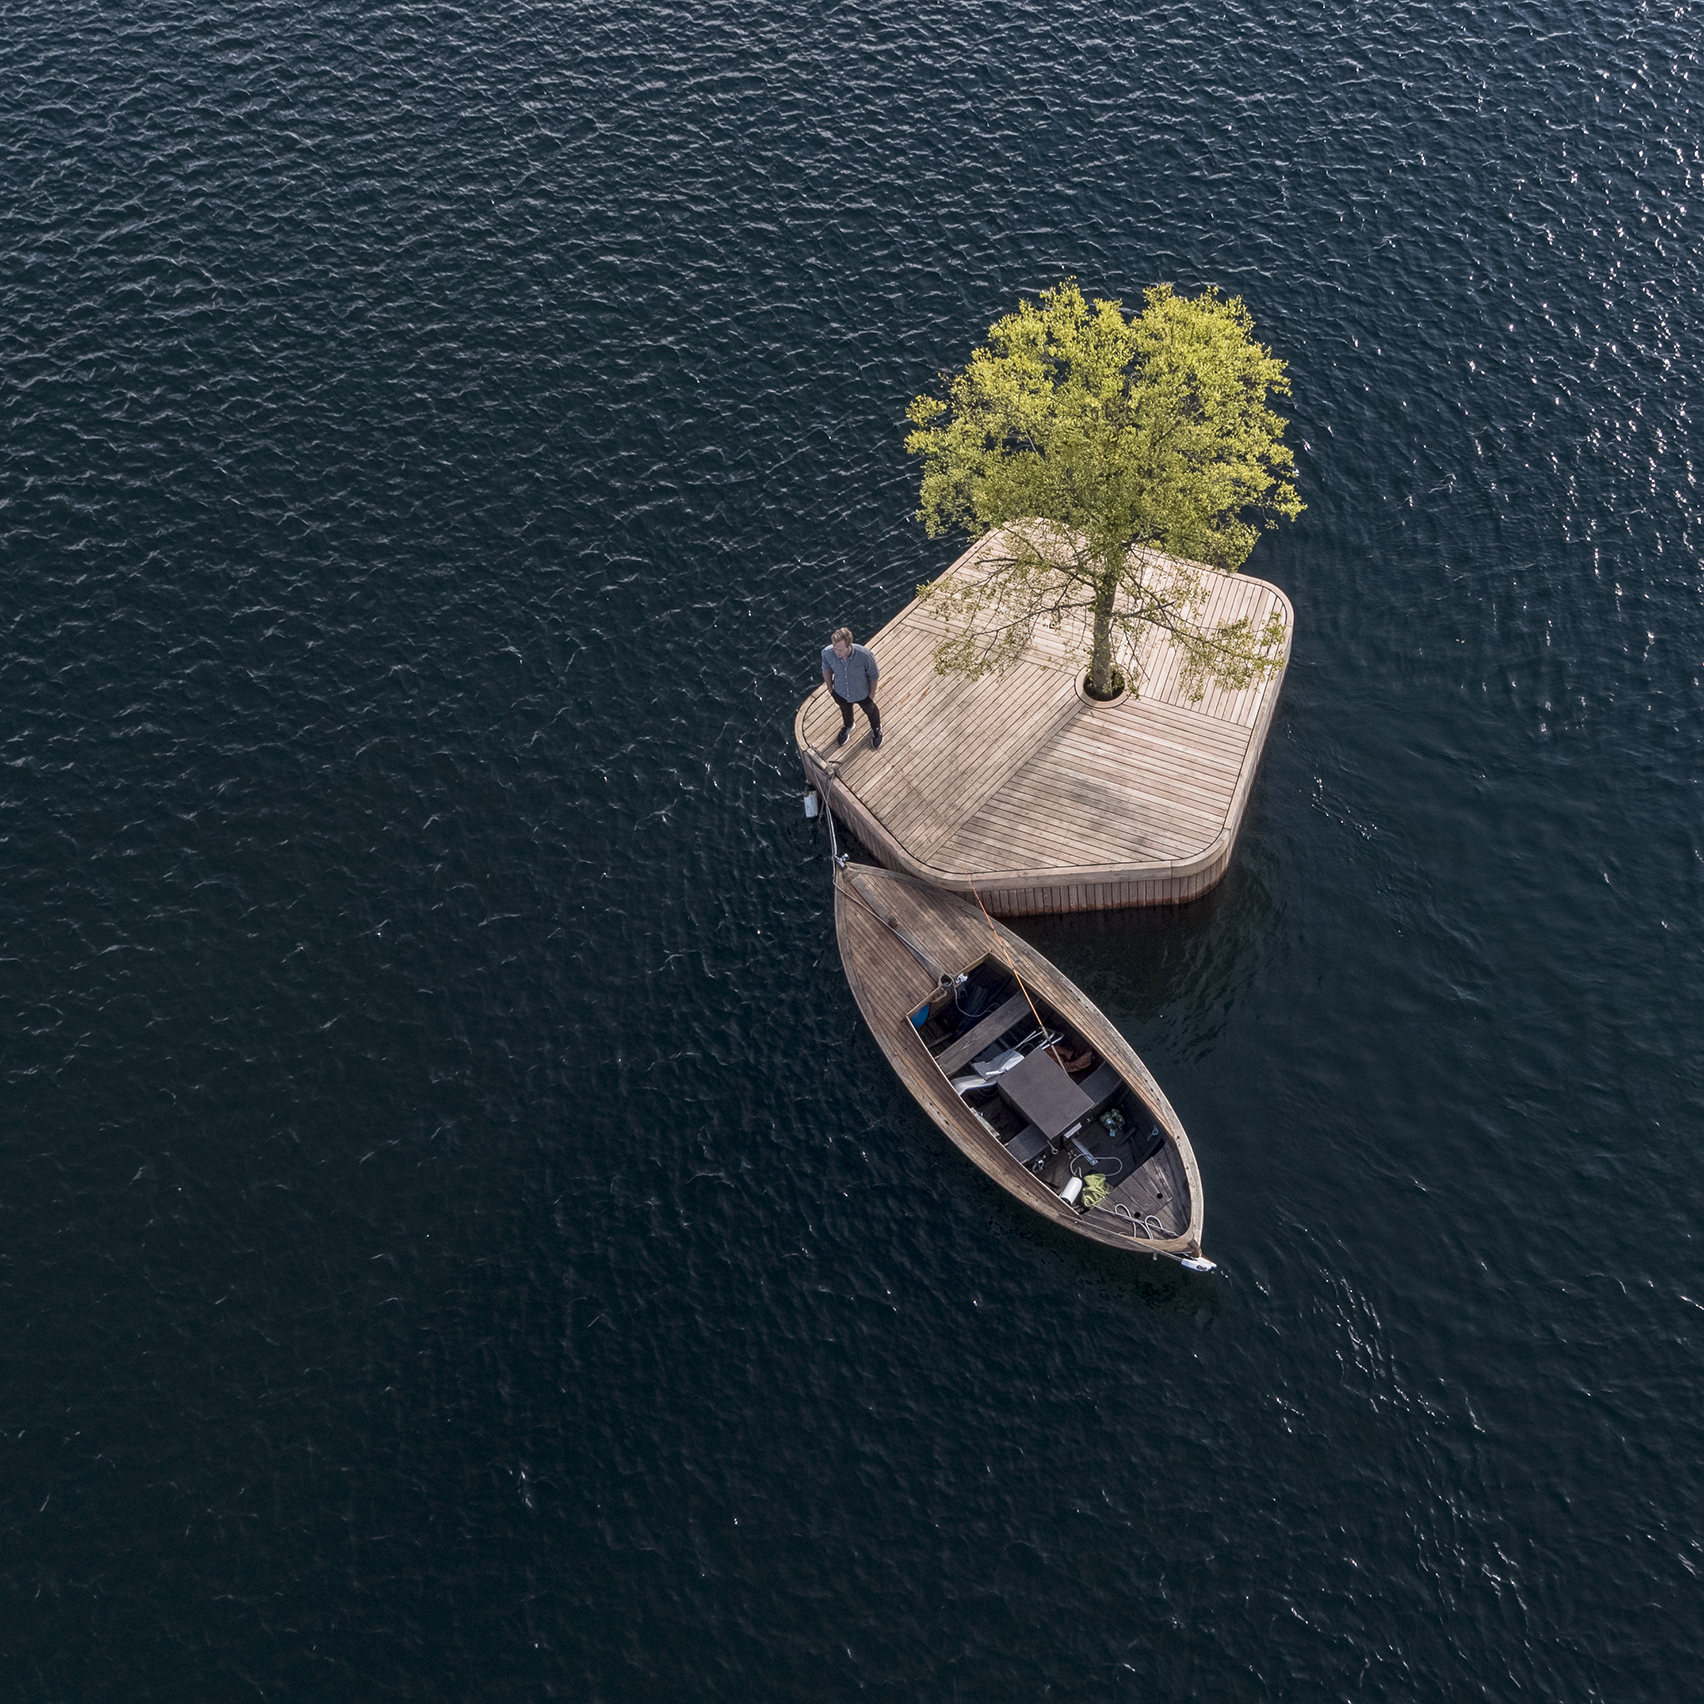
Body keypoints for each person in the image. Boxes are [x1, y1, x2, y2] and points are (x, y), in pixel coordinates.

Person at [821, 626, 883, 749]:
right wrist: (830, 688)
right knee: (845, 712)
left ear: (849, 646)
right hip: (840, 692)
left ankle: (876, 728)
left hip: (862, 693)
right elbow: (826, 669)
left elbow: (874, 675)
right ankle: (848, 726)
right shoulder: (827, 653)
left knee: (871, 711)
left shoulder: (865, 656)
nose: (836, 652)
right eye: (834, 648)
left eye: (840, 650)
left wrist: (871, 695)